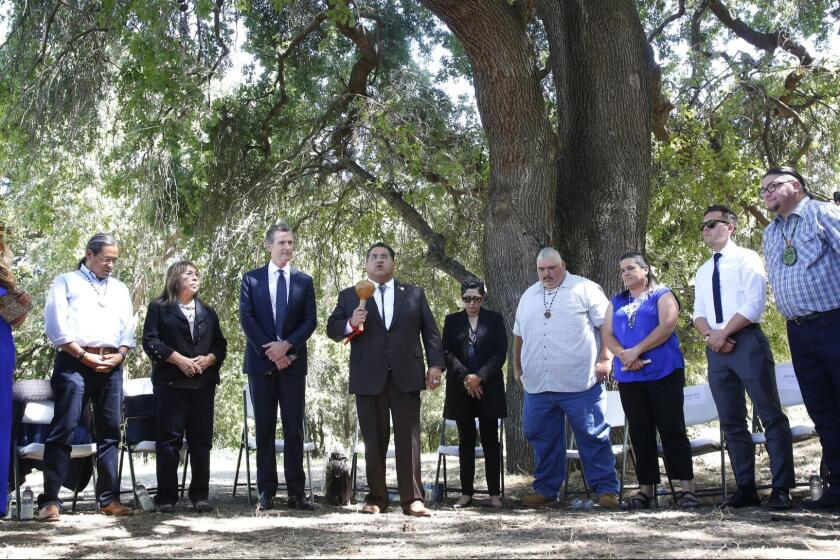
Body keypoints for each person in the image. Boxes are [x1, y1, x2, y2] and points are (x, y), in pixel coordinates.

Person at [326, 242, 445, 517]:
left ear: (393, 263)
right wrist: (350, 323)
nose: (379, 261)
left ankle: (413, 499)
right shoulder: (350, 296)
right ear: (366, 264)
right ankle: (376, 497)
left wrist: (435, 365)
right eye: (373, 257)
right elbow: (332, 329)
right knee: (373, 440)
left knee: (409, 439)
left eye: (384, 257)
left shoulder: (414, 294)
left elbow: (430, 332)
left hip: (406, 375)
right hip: (368, 376)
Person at [693, 204, 794, 509]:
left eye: (713, 224)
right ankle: (746, 487)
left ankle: (780, 488)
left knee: (770, 414)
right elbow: (698, 313)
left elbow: (754, 303)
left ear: (730, 227)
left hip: (746, 340)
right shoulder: (702, 270)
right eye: (704, 226)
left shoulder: (747, 258)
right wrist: (712, 336)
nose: (707, 230)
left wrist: (725, 333)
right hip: (717, 349)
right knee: (731, 420)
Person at [513, 247, 620, 508]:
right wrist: (516, 367)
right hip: (539, 384)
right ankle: (546, 490)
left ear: (563, 265)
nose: (547, 274)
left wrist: (606, 359)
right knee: (540, 435)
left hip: (580, 382)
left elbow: (607, 324)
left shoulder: (585, 288)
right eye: (541, 269)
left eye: (552, 268)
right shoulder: (528, 295)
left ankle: (606, 490)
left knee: (592, 435)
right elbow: (518, 334)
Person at [40, 233, 136, 521]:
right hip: (74, 362)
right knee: (64, 428)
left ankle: (108, 499)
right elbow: (55, 325)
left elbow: (129, 326)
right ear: (89, 255)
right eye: (106, 259)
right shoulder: (66, 282)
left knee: (109, 432)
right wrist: (83, 355)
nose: (110, 265)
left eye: (114, 260)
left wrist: (120, 354)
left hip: (111, 364)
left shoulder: (119, 288)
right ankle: (50, 502)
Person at [761, 167, 840, 509]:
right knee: (822, 411)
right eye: (762, 190)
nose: (766, 194)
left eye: (772, 187)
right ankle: (836, 487)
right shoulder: (770, 232)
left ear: (795, 185)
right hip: (799, 330)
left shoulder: (825, 214)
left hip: (834, 321)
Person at [602, 252, 696, 509]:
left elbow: (667, 325)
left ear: (646, 270)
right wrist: (623, 354)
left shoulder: (661, 294)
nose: (625, 274)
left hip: (663, 372)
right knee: (640, 433)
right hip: (630, 375)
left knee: (672, 429)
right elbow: (607, 333)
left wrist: (637, 350)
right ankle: (646, 491)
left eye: (631, 268)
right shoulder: (617, 301)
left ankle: (686, 489)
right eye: (622, 270)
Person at [239, 223, 317, 512]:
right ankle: (266, 492)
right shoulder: (251, 279)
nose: (287, 247)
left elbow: (310, 321)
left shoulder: (303, 281)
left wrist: (287, 347)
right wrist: (272, 350)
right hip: (261, 365)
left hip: (293, 364)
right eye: (282, 242)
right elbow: (247, 319)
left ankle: (297, 492)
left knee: (294, 429)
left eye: (291, 243)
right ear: (268, 246)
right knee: (264, 429)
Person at [142, 261, 227, 513]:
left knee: (201, 442)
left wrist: (209, 359)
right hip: (171, 383)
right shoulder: (158, 308)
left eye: (197, 274)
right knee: (169, 442)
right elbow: (150, 341)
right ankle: (166, 498)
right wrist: (178, 359)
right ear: (175, 278)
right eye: (189, 273)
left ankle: (200, 496)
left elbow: (221, 345)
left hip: (202, 384)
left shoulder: (208, 312)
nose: (195, 277)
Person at [441, 278, 507, 509]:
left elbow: (500, 353)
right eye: (467, 298)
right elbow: (447, 352)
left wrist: (480, 376)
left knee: (491, 441)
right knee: (465, 441)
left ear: (483, 297)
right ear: (462, 298)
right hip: (461, 389)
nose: (472, 303)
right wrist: (467, 378)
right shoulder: (452, 321)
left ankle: (494, 494)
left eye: (476, 298)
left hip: (489, 388)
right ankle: (466, 493)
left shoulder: (495, 319)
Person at [0, 225, 32, 519]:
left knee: (0, 422)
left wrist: (21, 304)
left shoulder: (4, 277)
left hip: (1, 350)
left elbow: (14, 320)